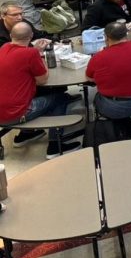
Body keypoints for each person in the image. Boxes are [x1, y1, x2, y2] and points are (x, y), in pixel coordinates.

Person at [0, 20, 79, 157]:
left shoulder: (4, 48)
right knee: (60, 97)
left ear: (11, 35)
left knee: (29, 93)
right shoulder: (30, 53)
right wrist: (40, 55)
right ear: (30, 36)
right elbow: (43, 80)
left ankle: (26, 135)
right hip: (17, 114)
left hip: (3, 110)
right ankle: (55, 144)